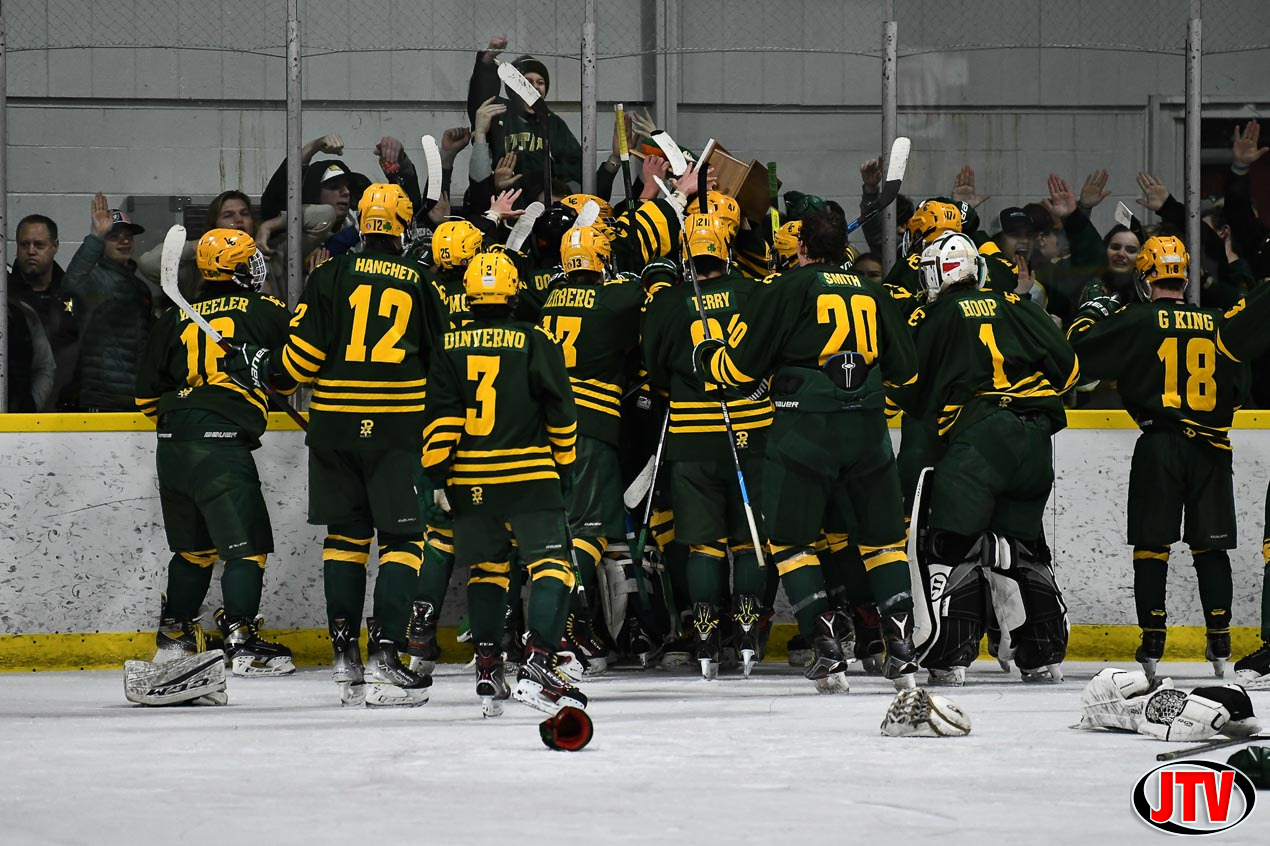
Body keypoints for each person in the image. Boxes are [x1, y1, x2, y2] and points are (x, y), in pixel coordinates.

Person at [224, 183, 433, 708]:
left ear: (363, 225)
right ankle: (386, 658)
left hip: (335, 426)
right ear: (402, 228)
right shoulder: (421, 282)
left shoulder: (330, 274)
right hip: (395, 429)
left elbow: (297, 367)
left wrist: (262, 366)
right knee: (403, 543)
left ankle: (345, 660)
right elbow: (441, 366)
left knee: (345, 539)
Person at [695, 207, 921, 691]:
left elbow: (737, 373)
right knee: (882, 542)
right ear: (844, 249)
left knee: (791, 541)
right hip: (867, 431)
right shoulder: (874, 292)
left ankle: (825, 647)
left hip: (804, 430)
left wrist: (708, 358)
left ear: (800, 248)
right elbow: (910, 375)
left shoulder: (785, 288)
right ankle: (901, 647)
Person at [1068, 235, 1270, 680]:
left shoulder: (1136, 319)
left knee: (1151, 545)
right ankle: (1220, 644)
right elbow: (1237, 392)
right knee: (1211, 546)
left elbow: (1077, 356)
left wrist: (1089, 313)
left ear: (1146, 276)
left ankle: (1153, 644)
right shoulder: (1219, 321)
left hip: (1159, 444)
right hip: (1211, 448)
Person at [900, 231, 1079, 686]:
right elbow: (1070, 368)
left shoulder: (937, 312)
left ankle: (950, 656)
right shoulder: (1017, 305)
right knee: (1023, 548)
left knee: (953, 546)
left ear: (940, 272)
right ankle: (1041, 654)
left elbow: (910, 386)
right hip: (1035, 437)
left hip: (979, 438)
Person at [420, 249, 585, 716]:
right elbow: (561, 411)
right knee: (553, 567)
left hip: (471, 479)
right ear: (515, 292)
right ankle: (538, 664)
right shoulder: (535, 339)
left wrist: (436, 475)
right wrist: (566, 467)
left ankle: (489, 667)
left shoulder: (449, 345)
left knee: (488, 570)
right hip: (529, 475)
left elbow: (442, 418)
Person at [133, 228, 295, 677]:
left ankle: (174, 637)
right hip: (222, 445)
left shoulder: (173, 319)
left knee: (193, 551)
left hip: (173, 443)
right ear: (239, 269)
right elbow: (292, 373)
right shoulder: (266, 310)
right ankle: (242, 641)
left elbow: (147, 399)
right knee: (246, 550)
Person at [641, 213, 774, 682]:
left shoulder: (668, 303)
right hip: (753, 434)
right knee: (749, 542)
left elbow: (654, 374)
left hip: (692, 438)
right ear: (726, 250)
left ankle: (704, 636)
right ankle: (747, 631)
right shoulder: (756, 294)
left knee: (703, 546)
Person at [539, 224, 647, 670]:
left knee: (556, 533)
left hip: (546, 424)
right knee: (591, 531)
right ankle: (564, 630)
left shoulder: (546, 297)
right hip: (591, 426)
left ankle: (562, 626)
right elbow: (647, 299)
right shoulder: (615, 299)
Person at [62, 195, 155, 412]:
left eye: (128, 237)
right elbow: (70, 284)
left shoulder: (139, 286)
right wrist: (96, 236)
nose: (124, 242)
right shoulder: (94, 279)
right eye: (115, 236)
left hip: (136, 399)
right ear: (103, 243)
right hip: (101, 400)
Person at [466, 36, 583, 200]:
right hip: (501, 199)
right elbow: (481, 97)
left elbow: (575, 164)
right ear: (513, 88)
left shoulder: (553, 123)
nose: (534, 87)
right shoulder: (501, 112)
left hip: (543, 203)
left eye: (540, 82)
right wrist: (487, 60)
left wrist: (554, 179)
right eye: (527, 82)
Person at [10, 214, 79, 410]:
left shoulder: (72, 293)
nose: (30, 251)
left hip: (69, 409)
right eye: (24, 245)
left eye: (39, 245)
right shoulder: (6, 297)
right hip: (20, 411)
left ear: (55, 246)